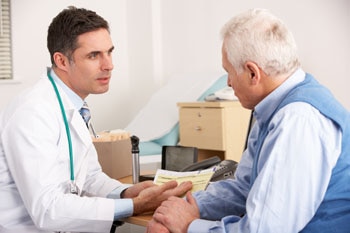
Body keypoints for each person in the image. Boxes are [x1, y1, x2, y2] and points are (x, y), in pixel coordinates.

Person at [146, 8, 350, 233]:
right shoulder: (271, 107)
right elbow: (244, 188)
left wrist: (189, 225)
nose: (229, 83)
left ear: (253, 73)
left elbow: (265, 229)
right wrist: (187, 206)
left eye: (229, 72)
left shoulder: (297, 120)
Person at [0, 6, 192, 233]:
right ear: (62, 61)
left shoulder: (73, 105)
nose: (108, 65)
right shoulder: (32, 113)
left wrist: (126, 192)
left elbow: (89, 177)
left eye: (109, 52)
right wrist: (134, 205)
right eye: (94, 55)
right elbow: (48, 209)